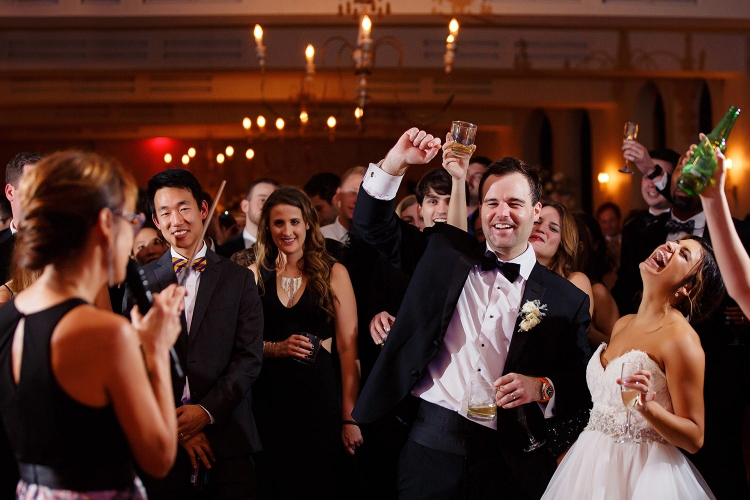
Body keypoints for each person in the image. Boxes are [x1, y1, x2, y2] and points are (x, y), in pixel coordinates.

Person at [352, 127, 592, 499]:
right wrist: (395, 161)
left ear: (536, 211)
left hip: (506, 461)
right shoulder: (445, 253)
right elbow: (372, 225)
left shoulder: (566, 298)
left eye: (514, 203)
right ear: (479, 210)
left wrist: (541, 387)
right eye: (492, 202)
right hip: (427, 446)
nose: (502, 213)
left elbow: (581, 382)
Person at [0, 151, 184, 498]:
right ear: (105, 223)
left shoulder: (7, 316)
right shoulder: (105, 334)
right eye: (130, 219)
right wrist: (157, 348)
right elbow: (159, 458)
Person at [542, 236, 724, 499]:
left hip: (641, 472)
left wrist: (648, 409)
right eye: (675, 242)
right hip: (590, 466)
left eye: (684, 254)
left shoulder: (680, 339)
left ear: (688, 288)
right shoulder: (623, 323)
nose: (671, 246)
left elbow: (695, 437)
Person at [612, 154, 750, 499]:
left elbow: (741, 287)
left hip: (717, 372)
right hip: (615, 450)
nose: (671, 248)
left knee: (722, 471)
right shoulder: (643, 233)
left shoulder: (740, 232)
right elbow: (625, 290)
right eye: (678, 174)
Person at [136, 168, 264, 499]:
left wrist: (204, 413)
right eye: (165, 212)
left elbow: (249, 357)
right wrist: (180, 426)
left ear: (203, 209)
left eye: (184, 208)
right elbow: (133, 360)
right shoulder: (142, 281)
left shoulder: (238, 278)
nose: (176, 220)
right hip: (163, 440)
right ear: (156, 221)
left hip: (229, 437)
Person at [248, 186, 362, 499]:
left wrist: (349, 417)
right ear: (267, 227)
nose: (287, 231)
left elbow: (348, 349)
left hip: (320, 402)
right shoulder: (253, 275)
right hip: (269, 403)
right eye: (279, 223)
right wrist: (275, 348)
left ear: (308, 223)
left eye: (294, 222)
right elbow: (240, 347)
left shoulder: (333, 272)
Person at [217, 178, 279, 258]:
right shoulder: (223, 253)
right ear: (245, 206)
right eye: (262, 200)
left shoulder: (285, 249)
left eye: (274, 201)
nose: (268, 205)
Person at [321, 166, 366, 243]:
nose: (357, 200)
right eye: (352, 192)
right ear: (338, 194)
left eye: (364, 195)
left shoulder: (378, 242)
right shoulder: (319, 237)